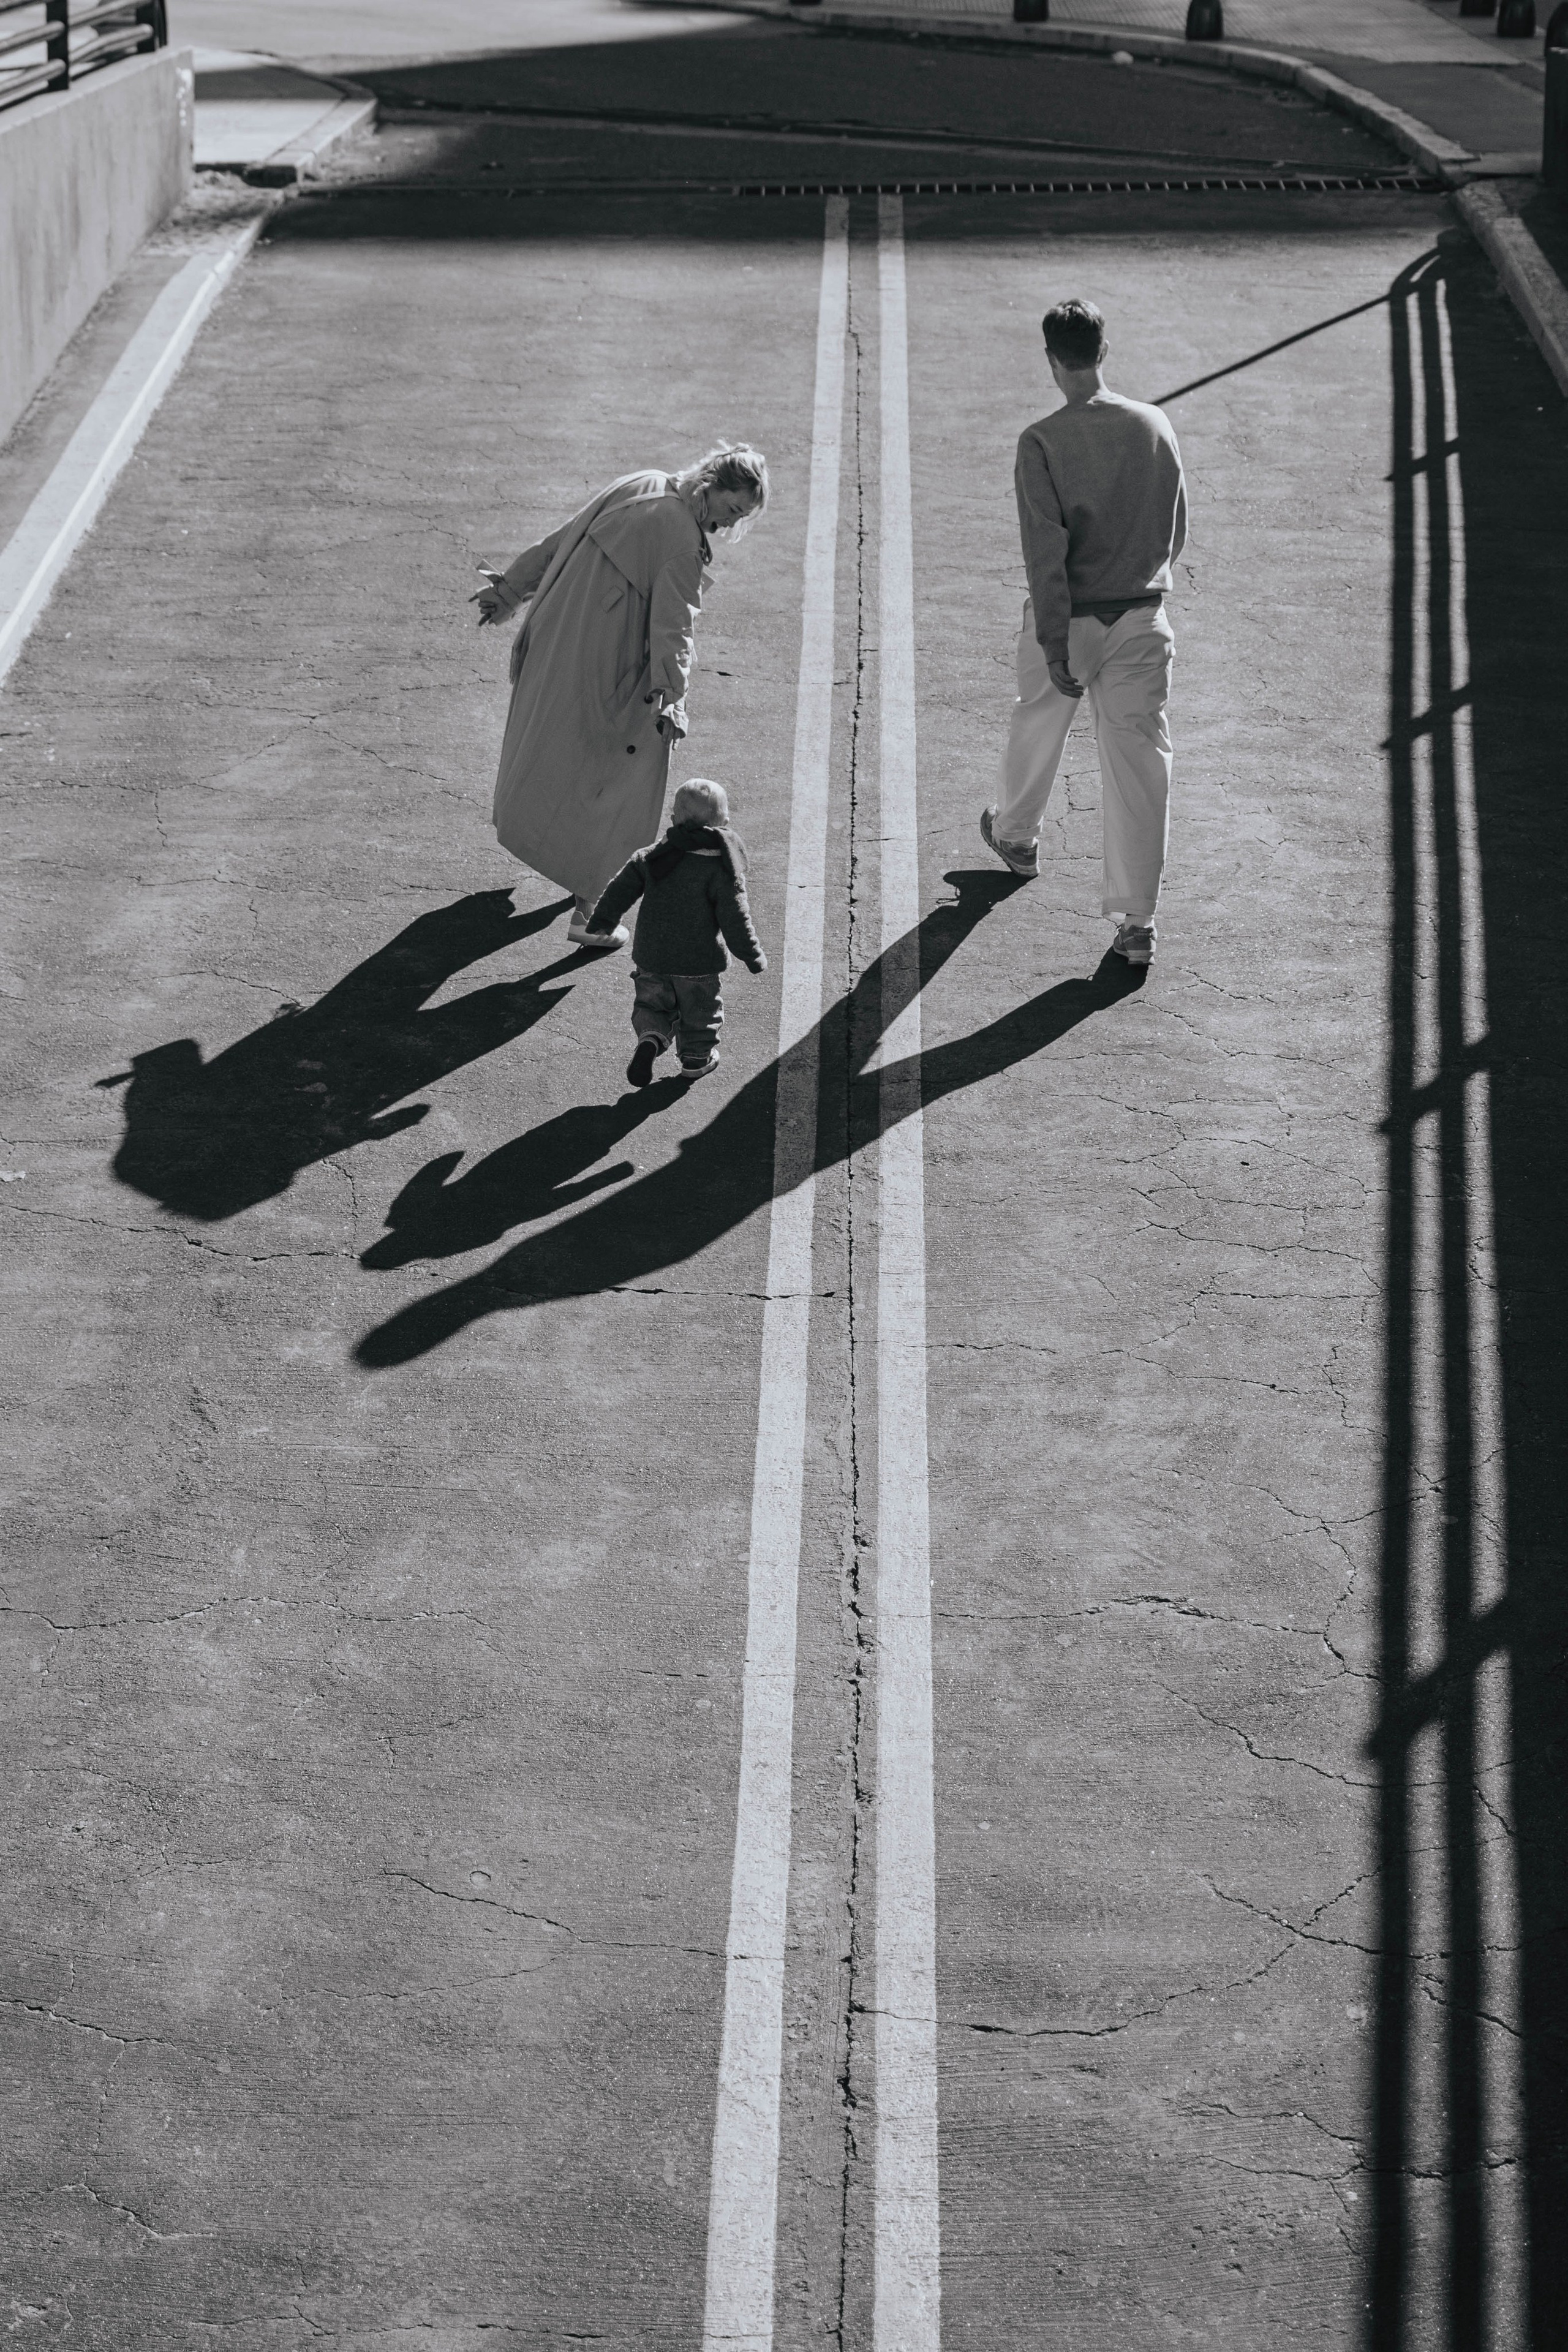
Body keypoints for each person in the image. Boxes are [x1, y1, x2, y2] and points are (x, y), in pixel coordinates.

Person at [472, 445, 769, 951]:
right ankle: (592, 909)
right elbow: (675, 628)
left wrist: (509, 592)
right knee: (620, 783)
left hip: (558, 639)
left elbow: (561, 542)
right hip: (607, 664)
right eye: (733, 508)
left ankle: (537, 842)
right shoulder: (682, 540)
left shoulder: (642, 483)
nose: (730, 522)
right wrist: (672, 698)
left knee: (546, 747)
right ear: (712, 486)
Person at [981, 298, 1187, 968]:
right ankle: (1137, 924)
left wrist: (1052, 640)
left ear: (1051, 362)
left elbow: (1046, 553)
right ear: (1103, 351)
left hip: (1070, 619)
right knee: (1138, 767)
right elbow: (1174, 528)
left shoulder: (1041, 441)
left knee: (1038, 719)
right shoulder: (1153, 425)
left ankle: (1015, 837)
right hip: (1140, 614)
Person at [589, 778, 766, 1085]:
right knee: (700, 1012)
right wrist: (752, 955)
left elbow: (620, 889)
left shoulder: (653, 856)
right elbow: (736, 918)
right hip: (698, 962)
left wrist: (603, 920)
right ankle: (696, 1060)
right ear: (723, 824)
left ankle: (651, 1039)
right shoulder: (721, 870)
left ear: (674, 820)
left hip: (652, 956)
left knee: (652, 1004)